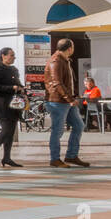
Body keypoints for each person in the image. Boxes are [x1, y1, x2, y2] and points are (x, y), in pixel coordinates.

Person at [45, 39, 88, 168]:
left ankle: (71, 155)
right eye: (73, 47)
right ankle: (55, 159)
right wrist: (69, 99)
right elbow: (57, 83)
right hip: (57, 101)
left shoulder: (65, 60)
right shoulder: (56, 61)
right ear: (69, 48)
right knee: (57, 130)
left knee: (79, 126)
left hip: (66, 101)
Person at [0, 47, 24, 167]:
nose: (14, 57)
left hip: (13, 105)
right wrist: (11, 88)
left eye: (14, 55)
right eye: (11, 55)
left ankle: (7, 157)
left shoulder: (13, 69)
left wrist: (21, 88)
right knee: (6, 129)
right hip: (0, 105)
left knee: (11, 131)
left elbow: (17, 83)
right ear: (3, 55)